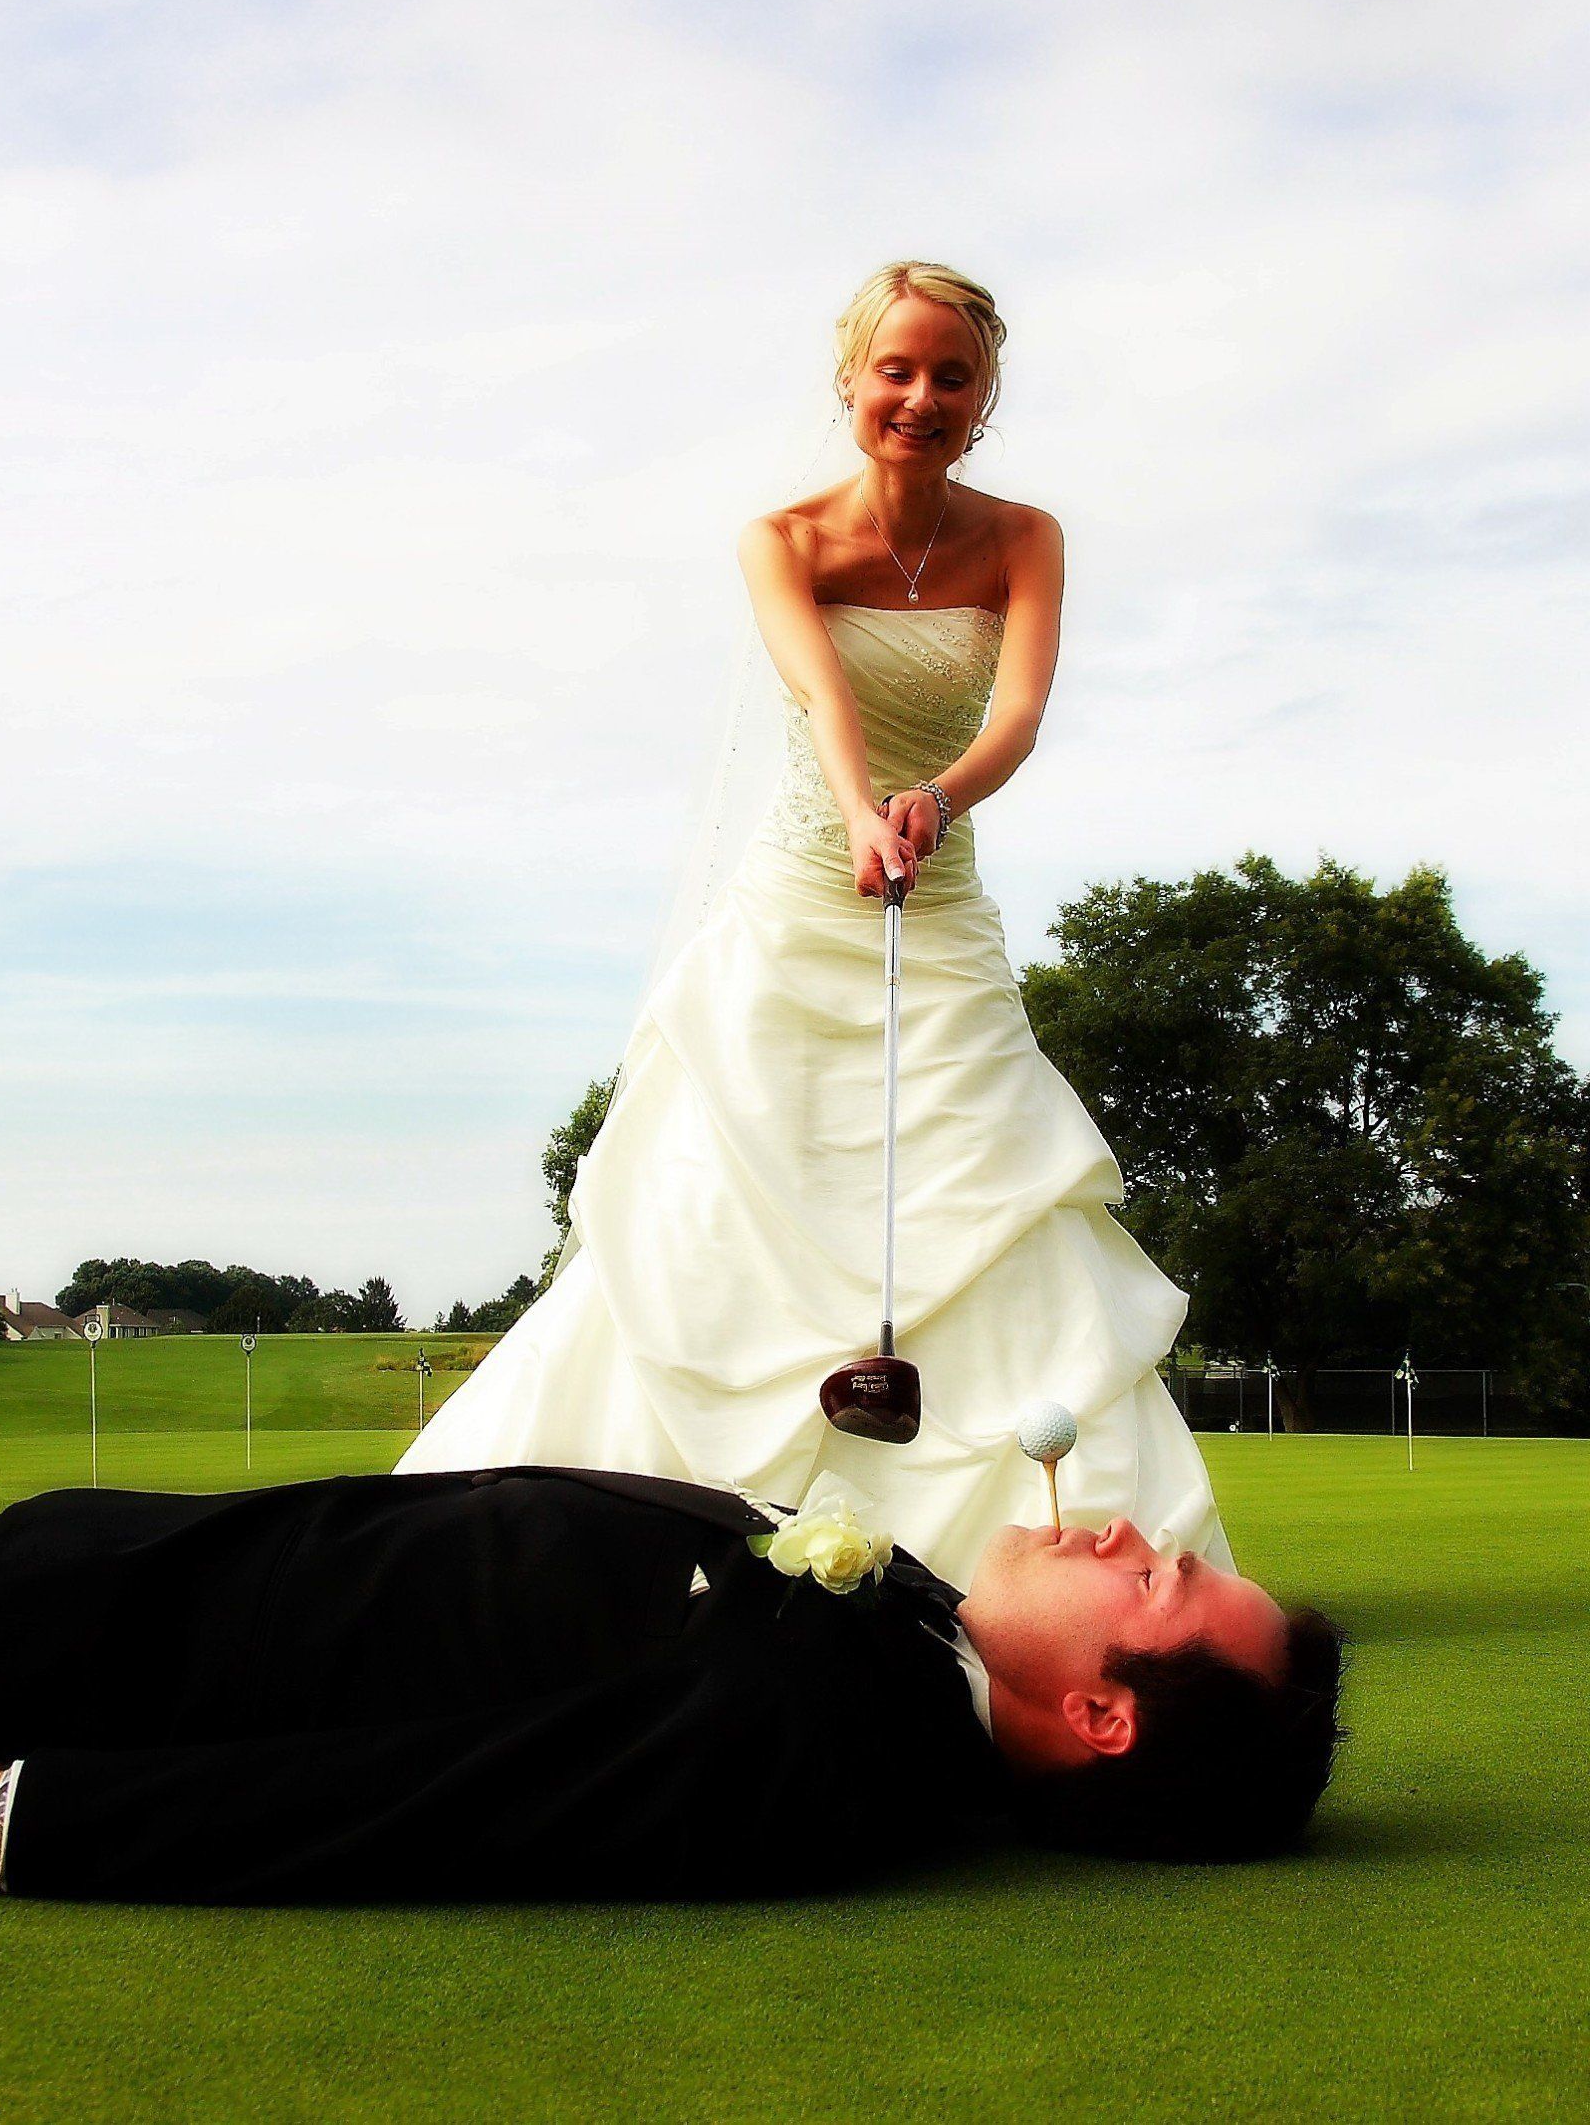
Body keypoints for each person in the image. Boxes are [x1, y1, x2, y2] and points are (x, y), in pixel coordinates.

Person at [394, 260, 1233, 1594]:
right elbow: (825, 696)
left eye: (951, 375)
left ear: (984, 395)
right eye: (894, 369)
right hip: (805, 897)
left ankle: (1043, 1582)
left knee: (999, 1199)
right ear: (849, 380)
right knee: (717, 1200)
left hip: (938, 907)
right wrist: (860, 811)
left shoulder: (1025, 538)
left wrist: (935, 803)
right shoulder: (779, 539)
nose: (921, 396)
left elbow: (1013, 713)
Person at [0, 1464, 1345, 1903]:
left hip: (28, 1668)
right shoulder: (906, 1638)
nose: (1131, 1529)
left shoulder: (821, 1749)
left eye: (1156, 1577)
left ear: (1107, 1713)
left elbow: (437, 1807)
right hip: (81, 1574)